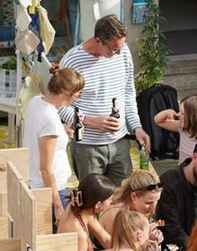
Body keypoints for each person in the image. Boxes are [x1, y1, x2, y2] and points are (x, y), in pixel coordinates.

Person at [58, 14, 149, 186]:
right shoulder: (72, 60)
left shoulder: (123, 53)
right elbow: (59, 105)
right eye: (114, 49)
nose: (119, 53)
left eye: (122, 46)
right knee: (93, 202)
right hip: (87, 147)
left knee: (122, 199)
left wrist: (136, 126)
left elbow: (128, 93)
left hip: (119, 142)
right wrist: (91, 121)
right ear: (98, 40)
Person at [23, 65, 84, 224]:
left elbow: (40, 134)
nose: (78, 97)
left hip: (34, 183)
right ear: (66, 93)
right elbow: (46, 168)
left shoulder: (36, 102)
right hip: (51, 189)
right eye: (77, 94)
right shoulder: (49, 118)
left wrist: (63, 131)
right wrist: (57, 205)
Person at [57, 174, 116, 251]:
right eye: (109, 200)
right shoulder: (79, 234)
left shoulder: (78, 207)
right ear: (98, 204)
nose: (111, 203)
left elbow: (105, 239)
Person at [153, 93, 197, 162]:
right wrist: (168, 112)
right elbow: (158, 121)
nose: (178, 115)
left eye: (182, 113)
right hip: (182, 169)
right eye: (179, 112)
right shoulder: (182, 128)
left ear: (195, 117)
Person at [99, 169, 163, 235]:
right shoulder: (116, 214)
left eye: (157, 201)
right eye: (148, 203)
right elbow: (115, 244)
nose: (153, 208)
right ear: (133, 196)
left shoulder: (142, 209)